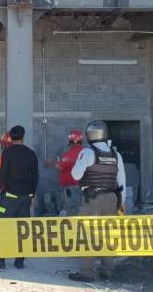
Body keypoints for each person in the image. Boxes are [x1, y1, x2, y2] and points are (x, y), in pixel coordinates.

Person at [68, 120, 126, 282]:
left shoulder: (87, 153)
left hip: (92, 198)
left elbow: (75, 175)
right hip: (112, 198)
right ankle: (107, 271)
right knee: (108, 235)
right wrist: (121, 202)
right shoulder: (116, 155)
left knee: (87, 234)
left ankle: (86, 273)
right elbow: (122, 182)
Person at [0, 125, 38, 270]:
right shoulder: (31, 154)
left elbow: (3, 175)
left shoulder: (7, 153)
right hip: (25, 198)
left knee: (0, 225)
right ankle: (20, 261)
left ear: (10, 138)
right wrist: (32, 195)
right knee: (23, 229)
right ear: (23, 137)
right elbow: (35, 177)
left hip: (9, 197)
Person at [45, 129, 84, 216]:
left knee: (70, 212)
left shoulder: (69, 154)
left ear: (71, 141)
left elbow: (59, 166)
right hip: (82, 189)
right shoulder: (86, 152)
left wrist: (51, 162)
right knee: (79, 210)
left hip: (72, 189)